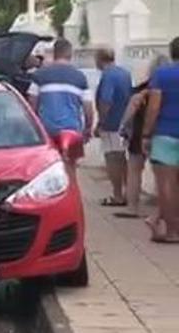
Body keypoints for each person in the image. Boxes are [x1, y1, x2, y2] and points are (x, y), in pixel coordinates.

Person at [29, 38, 93, 172]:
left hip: (47, 130)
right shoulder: (80, 78)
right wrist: (88, 128)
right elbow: (88, 108)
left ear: (54, 54)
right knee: (70, 169)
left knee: (48, 170)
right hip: (72, 129)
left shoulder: (39, 75)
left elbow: (32, 103)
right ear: (70, 54)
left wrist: (34, 128)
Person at [117, 56, 167, 221]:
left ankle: (133, 207)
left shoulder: (142, 89)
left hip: (140, 133)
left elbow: (131, 108)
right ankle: (163, 208)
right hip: (162, 133)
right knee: (163, 174)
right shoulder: (170, 89)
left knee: (134, 170)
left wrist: (123, 127)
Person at [142, 37, 179, 244]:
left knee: (166, 185)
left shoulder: (162, 74)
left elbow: (154, 107)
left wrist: (146, 133)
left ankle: (173, 231)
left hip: (165, 133)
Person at [95, 49, 132, 207]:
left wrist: (101, 122)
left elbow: (106, 100)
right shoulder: (125, 73)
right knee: (122, 159)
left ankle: (117, 195)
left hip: (111, 124)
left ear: (100, 59)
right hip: (125, 123)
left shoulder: (108, 75)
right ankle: (128, 192)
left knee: (112, 159)